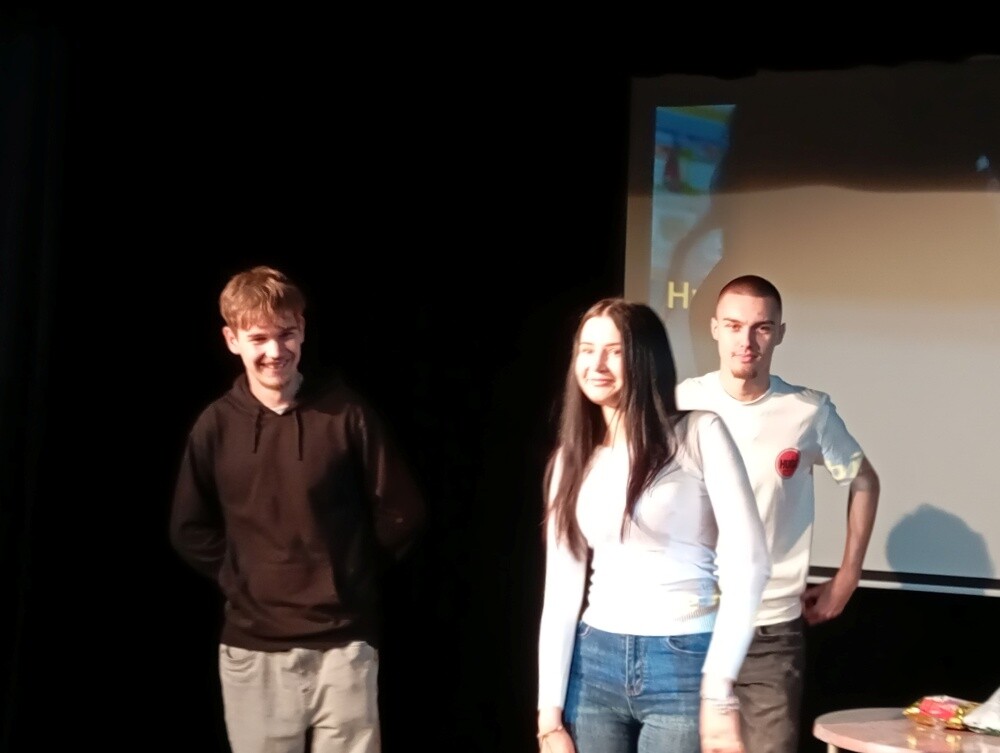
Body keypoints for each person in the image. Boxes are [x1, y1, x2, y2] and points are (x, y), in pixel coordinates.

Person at [169, 265, 426, 753]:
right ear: (232, 340)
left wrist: (347, 573)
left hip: (344, 646)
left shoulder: (347, 414)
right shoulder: (215, 427)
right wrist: (243, 576)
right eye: (258, 338)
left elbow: (402, 512)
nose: (274, 350)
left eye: (285, 334)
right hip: (253, 649)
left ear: (302, 329)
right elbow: (188, 527)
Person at [536, 297, 771, 753]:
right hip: (593, 662)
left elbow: (751, 563)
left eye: (614, 351)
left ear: (645, 359)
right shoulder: (572, 458)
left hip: (682, 658)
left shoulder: (699, 434)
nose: (597, 364)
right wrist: (549, 718)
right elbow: (561, 590)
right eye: (587, 350)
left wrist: (718, 690)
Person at [676, 274, 880, 753]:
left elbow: (864, 480)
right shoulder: (681, 403)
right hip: (690, 625)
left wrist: (848, 576)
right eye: (734, 326)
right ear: (715, 329)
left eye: (761, 328)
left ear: (780, 333)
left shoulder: (806, 411)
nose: (746, 341)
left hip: (769, 630)